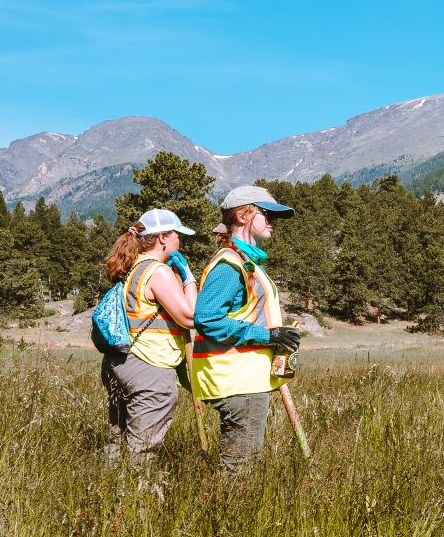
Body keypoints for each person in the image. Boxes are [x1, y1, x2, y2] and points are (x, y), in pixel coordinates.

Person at [191, 186, 302, 471]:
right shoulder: (229, 265)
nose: (273, 221)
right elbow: (208, 319)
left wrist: (277, 334)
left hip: (245, 378)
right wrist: (268, 335)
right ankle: (228, 512)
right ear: (242, 216)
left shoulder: (247, 262)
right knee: (240, 468)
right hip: (237, 379)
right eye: (267, 214)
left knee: (242, 461)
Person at [98, 209, 199, 463]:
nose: (180, 241)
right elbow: (189, 317)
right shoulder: (157, 272)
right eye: (177, 235)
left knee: (117, 443)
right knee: (141, 451)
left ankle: (107, 492)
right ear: (163, 238)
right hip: (149, 368)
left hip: (120, 363)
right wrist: (189, 280)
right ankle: (135, 498)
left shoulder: (132, 268)